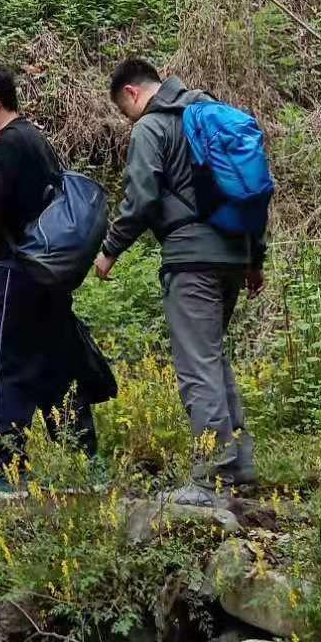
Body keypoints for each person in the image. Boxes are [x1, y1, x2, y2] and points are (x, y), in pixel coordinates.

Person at [95, 58, 262, 492]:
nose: (127, 119)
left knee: (196, 365)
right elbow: (253, 190)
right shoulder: (209, 114)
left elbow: (142, 199)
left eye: (123, 110)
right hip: (233, 254)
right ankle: (240, 464)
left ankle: (213, 469)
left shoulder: (152, 127)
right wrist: (254, 259)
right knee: (213, 357)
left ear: (132, 93)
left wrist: (110, 251)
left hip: (191, 260)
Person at [0, 65, 97, 488]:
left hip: (20, 268)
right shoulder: (35, 139)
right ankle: (84, 460)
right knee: (53, 365)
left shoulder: (11, 142)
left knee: (6, 363)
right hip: (47, 275)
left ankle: (1, 465)